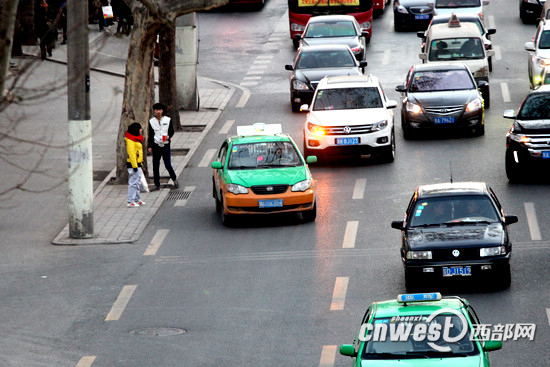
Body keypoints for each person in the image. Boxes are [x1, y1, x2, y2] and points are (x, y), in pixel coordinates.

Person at [147, 103, 179, 191]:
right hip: (156, 145)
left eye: (160, 110)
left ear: (162, 111)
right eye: (156, 110)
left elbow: (172, 131)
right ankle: (157, 184)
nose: (158, 112)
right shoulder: (151, 121)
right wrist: (150, 146)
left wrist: (168, 136)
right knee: (155, 165)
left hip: (165, 145)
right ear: (154, 111)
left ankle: (174, 179)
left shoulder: (168, 120)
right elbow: (150, 134)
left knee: (167, 164)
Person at [125, 122, 145, 207]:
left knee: (137, 182)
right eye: (139, 128)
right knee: (133, 182)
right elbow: (131, 154)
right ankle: (130, 201)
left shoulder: (136, 138)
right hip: (134, 164)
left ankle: (137, 199)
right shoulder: (130, 140)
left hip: (138, 163)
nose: (141, 130)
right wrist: (135, 165)